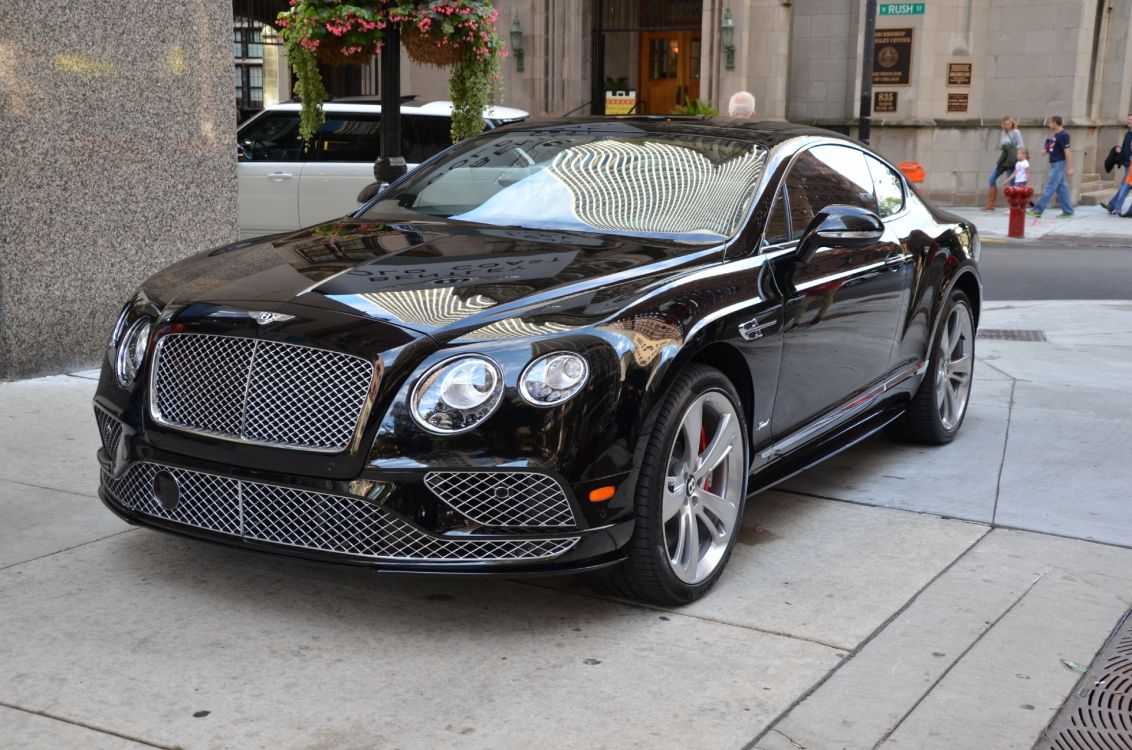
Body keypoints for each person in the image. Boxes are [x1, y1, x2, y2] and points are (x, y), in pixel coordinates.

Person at [1027, 116, 1074, 218]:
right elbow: (1055, 150)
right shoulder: (1056, 136)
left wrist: (1070, 167)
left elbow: (1067, 152)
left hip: (1058, 165)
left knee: (1049, 187)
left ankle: (1038, 210)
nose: (1049, 125)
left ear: (1055, 123)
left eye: (1050, 123)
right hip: (1055, 164)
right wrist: (1047, 150)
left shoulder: (1063, 135)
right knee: (1062, 189)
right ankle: (1068, 211)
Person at [983, 116, 1024, 210]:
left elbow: (1021, 145)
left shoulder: (1016, 132)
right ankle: (991, 204)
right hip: (1003, 158)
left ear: (1012, 124)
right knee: (992, 179)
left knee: (1011, 183)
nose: (1007, 126)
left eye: (1009, 124)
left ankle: (1013, 207)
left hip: (1012, 159)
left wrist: (1020, 159)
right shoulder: (1003, 133)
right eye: (1005, 124)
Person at [1101, 113, 1132, 215]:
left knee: (1125, 186)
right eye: (1128, 119)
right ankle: (1113, 205)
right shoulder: (1127, 134)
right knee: (1125, 186)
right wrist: (1120, 151)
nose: (1128, 121)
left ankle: (1115, 207)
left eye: (1130, 120)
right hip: (1127, 163)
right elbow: (1127, 148)